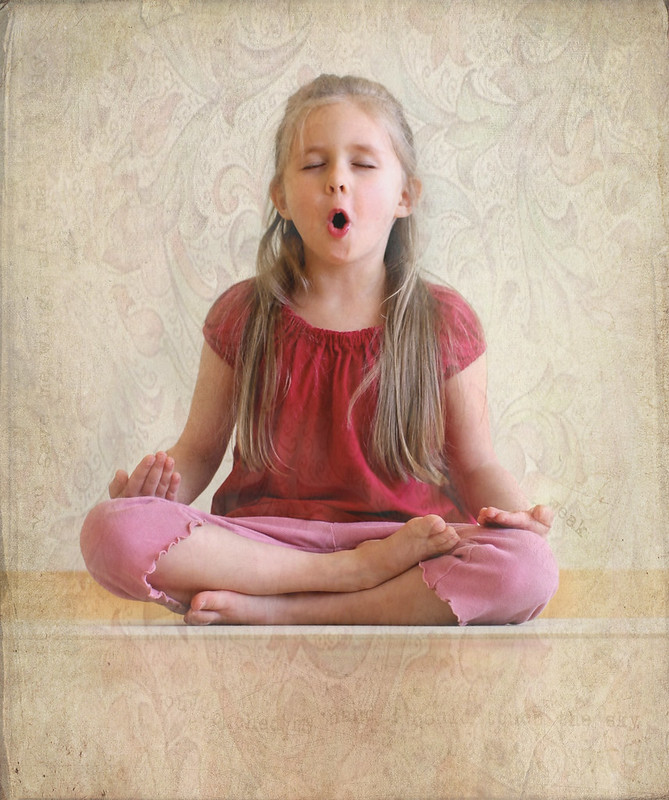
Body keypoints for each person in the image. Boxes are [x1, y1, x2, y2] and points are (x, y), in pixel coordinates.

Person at [81, 74, 558, 626]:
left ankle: (282, 611)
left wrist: (518, 517)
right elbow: (196, 453)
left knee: (529, 568)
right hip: (264, 546)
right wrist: (146, 502)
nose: (338, 182)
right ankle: (338, 580)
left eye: (363, 164)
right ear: (280, 196)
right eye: (314, 165)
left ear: (406, 195)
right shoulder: (242, 315)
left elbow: (476, 464)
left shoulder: (443, 322)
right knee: (107, 530)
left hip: (404, 544)